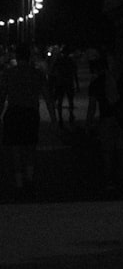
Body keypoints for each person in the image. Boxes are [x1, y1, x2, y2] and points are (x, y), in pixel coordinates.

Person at [0, 43, 54, 196]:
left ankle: (19, 183)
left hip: (14, 112)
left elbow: (2, 96)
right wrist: (54, 119)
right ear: (29, 56)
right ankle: (29, 179)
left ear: (16, 56)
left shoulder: (9, 74)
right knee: (30, 147)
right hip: (31, 112)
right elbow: (48, 98)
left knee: (15, 148)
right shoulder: (37, 74)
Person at [86, 52, 123, 191]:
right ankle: (122, 179)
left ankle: (109, 181)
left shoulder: (96, 83)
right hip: (122, 119)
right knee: (122, 150)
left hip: (106, 119)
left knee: (107, 152)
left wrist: (88, 124)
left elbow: (92, 107)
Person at [49, 46, 80, 128]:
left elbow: (52, 71)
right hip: (69, 82)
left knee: (60, 101)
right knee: (70, 100)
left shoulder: (59, 60)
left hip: (60, 82)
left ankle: (60, 119)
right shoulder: (71, 61)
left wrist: (54, 80)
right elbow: (75, 73)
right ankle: (70, 115)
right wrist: (77, 84)